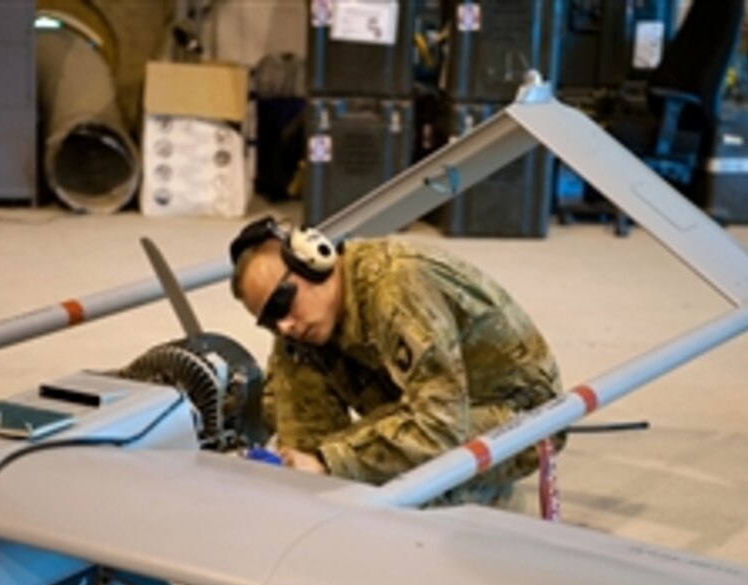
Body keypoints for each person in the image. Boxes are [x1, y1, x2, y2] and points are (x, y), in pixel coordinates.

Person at [229, 216, 565, 512]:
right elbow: (280, 406)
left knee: (395, 495)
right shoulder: (305, 325)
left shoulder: (397, 285)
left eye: (282, 303)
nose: (283, 324)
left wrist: (328, 463)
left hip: (515, 414)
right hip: (425, 399)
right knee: (296, 364)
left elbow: (439, 424)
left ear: (314, 261)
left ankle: (484, 496)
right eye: (269, 320)